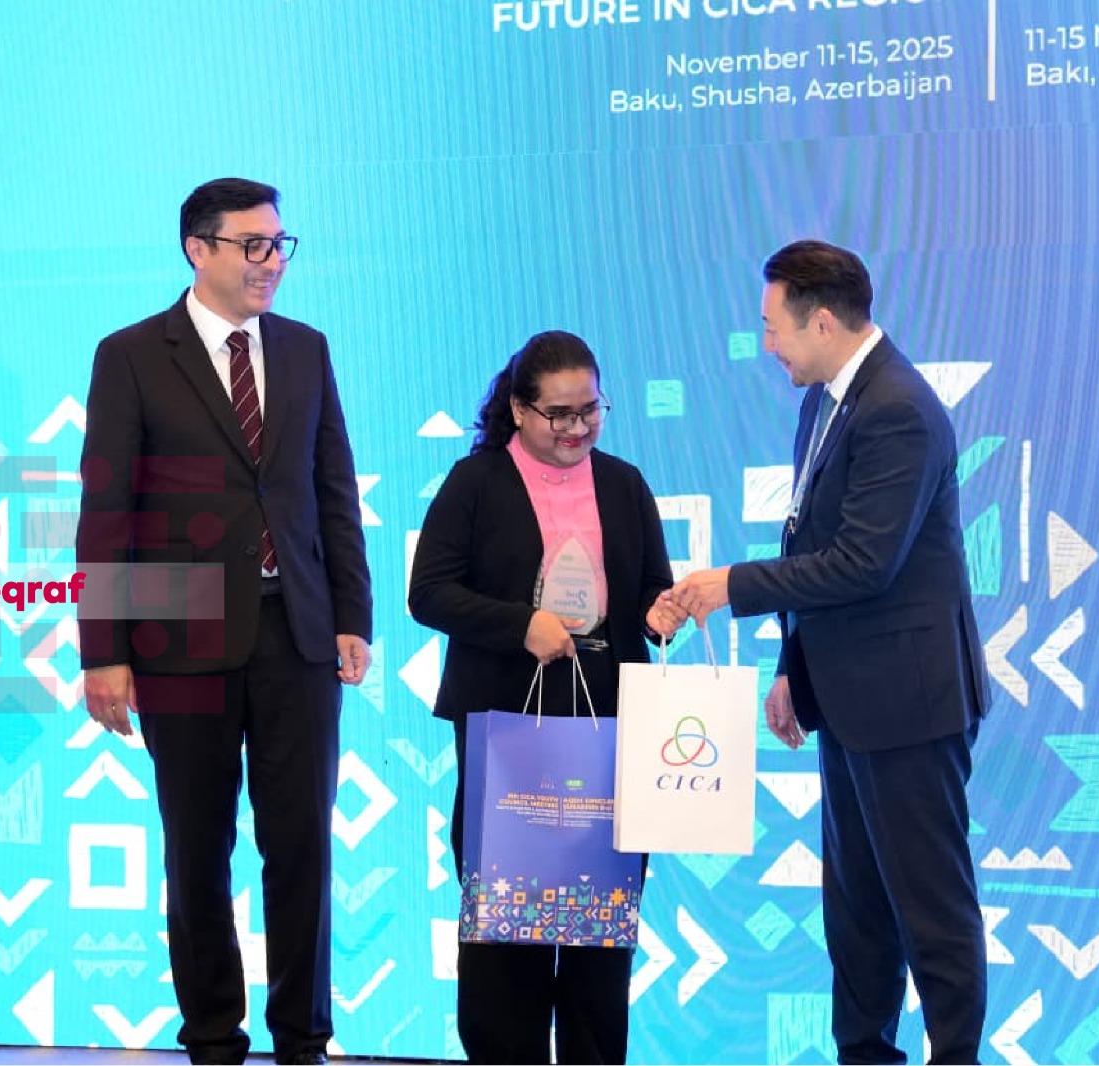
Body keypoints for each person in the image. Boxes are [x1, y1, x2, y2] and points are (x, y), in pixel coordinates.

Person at [669, 240, 991, 1065]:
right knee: (857, 914)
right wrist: (792, 667)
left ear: (819, 321)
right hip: (849, 697)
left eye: (772, 326)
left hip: (909, 705)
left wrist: (729, 586)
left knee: (932, 912)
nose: (766, 344)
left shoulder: (899, 410)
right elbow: (810, 540)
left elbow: (863, 563)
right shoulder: (827, 400)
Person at [75, 178, 372, 1066]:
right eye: (253, 245)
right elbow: (107, 512)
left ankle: (303, 1039)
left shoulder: (307, 349)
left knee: (303, 847)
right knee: (198, 851)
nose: (271, 261)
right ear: (197, 249)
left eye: (279, 243)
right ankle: (211, 1037)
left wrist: (351, 615)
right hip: (180, 637)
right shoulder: (132, 355)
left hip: (299, 633)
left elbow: (333, 491)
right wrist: (104, 652)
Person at [409, 330, 686, 1065]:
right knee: (508, 932)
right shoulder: (475, 483)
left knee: (600, 931)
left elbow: (649, 587)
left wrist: (661, 610)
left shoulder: (624, 484)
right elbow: (428, 593)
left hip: (610, 728)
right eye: (558, 414)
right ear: (518, 408)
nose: (577, 428)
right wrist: (519, 625)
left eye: (590, 411)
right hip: (508, 729)